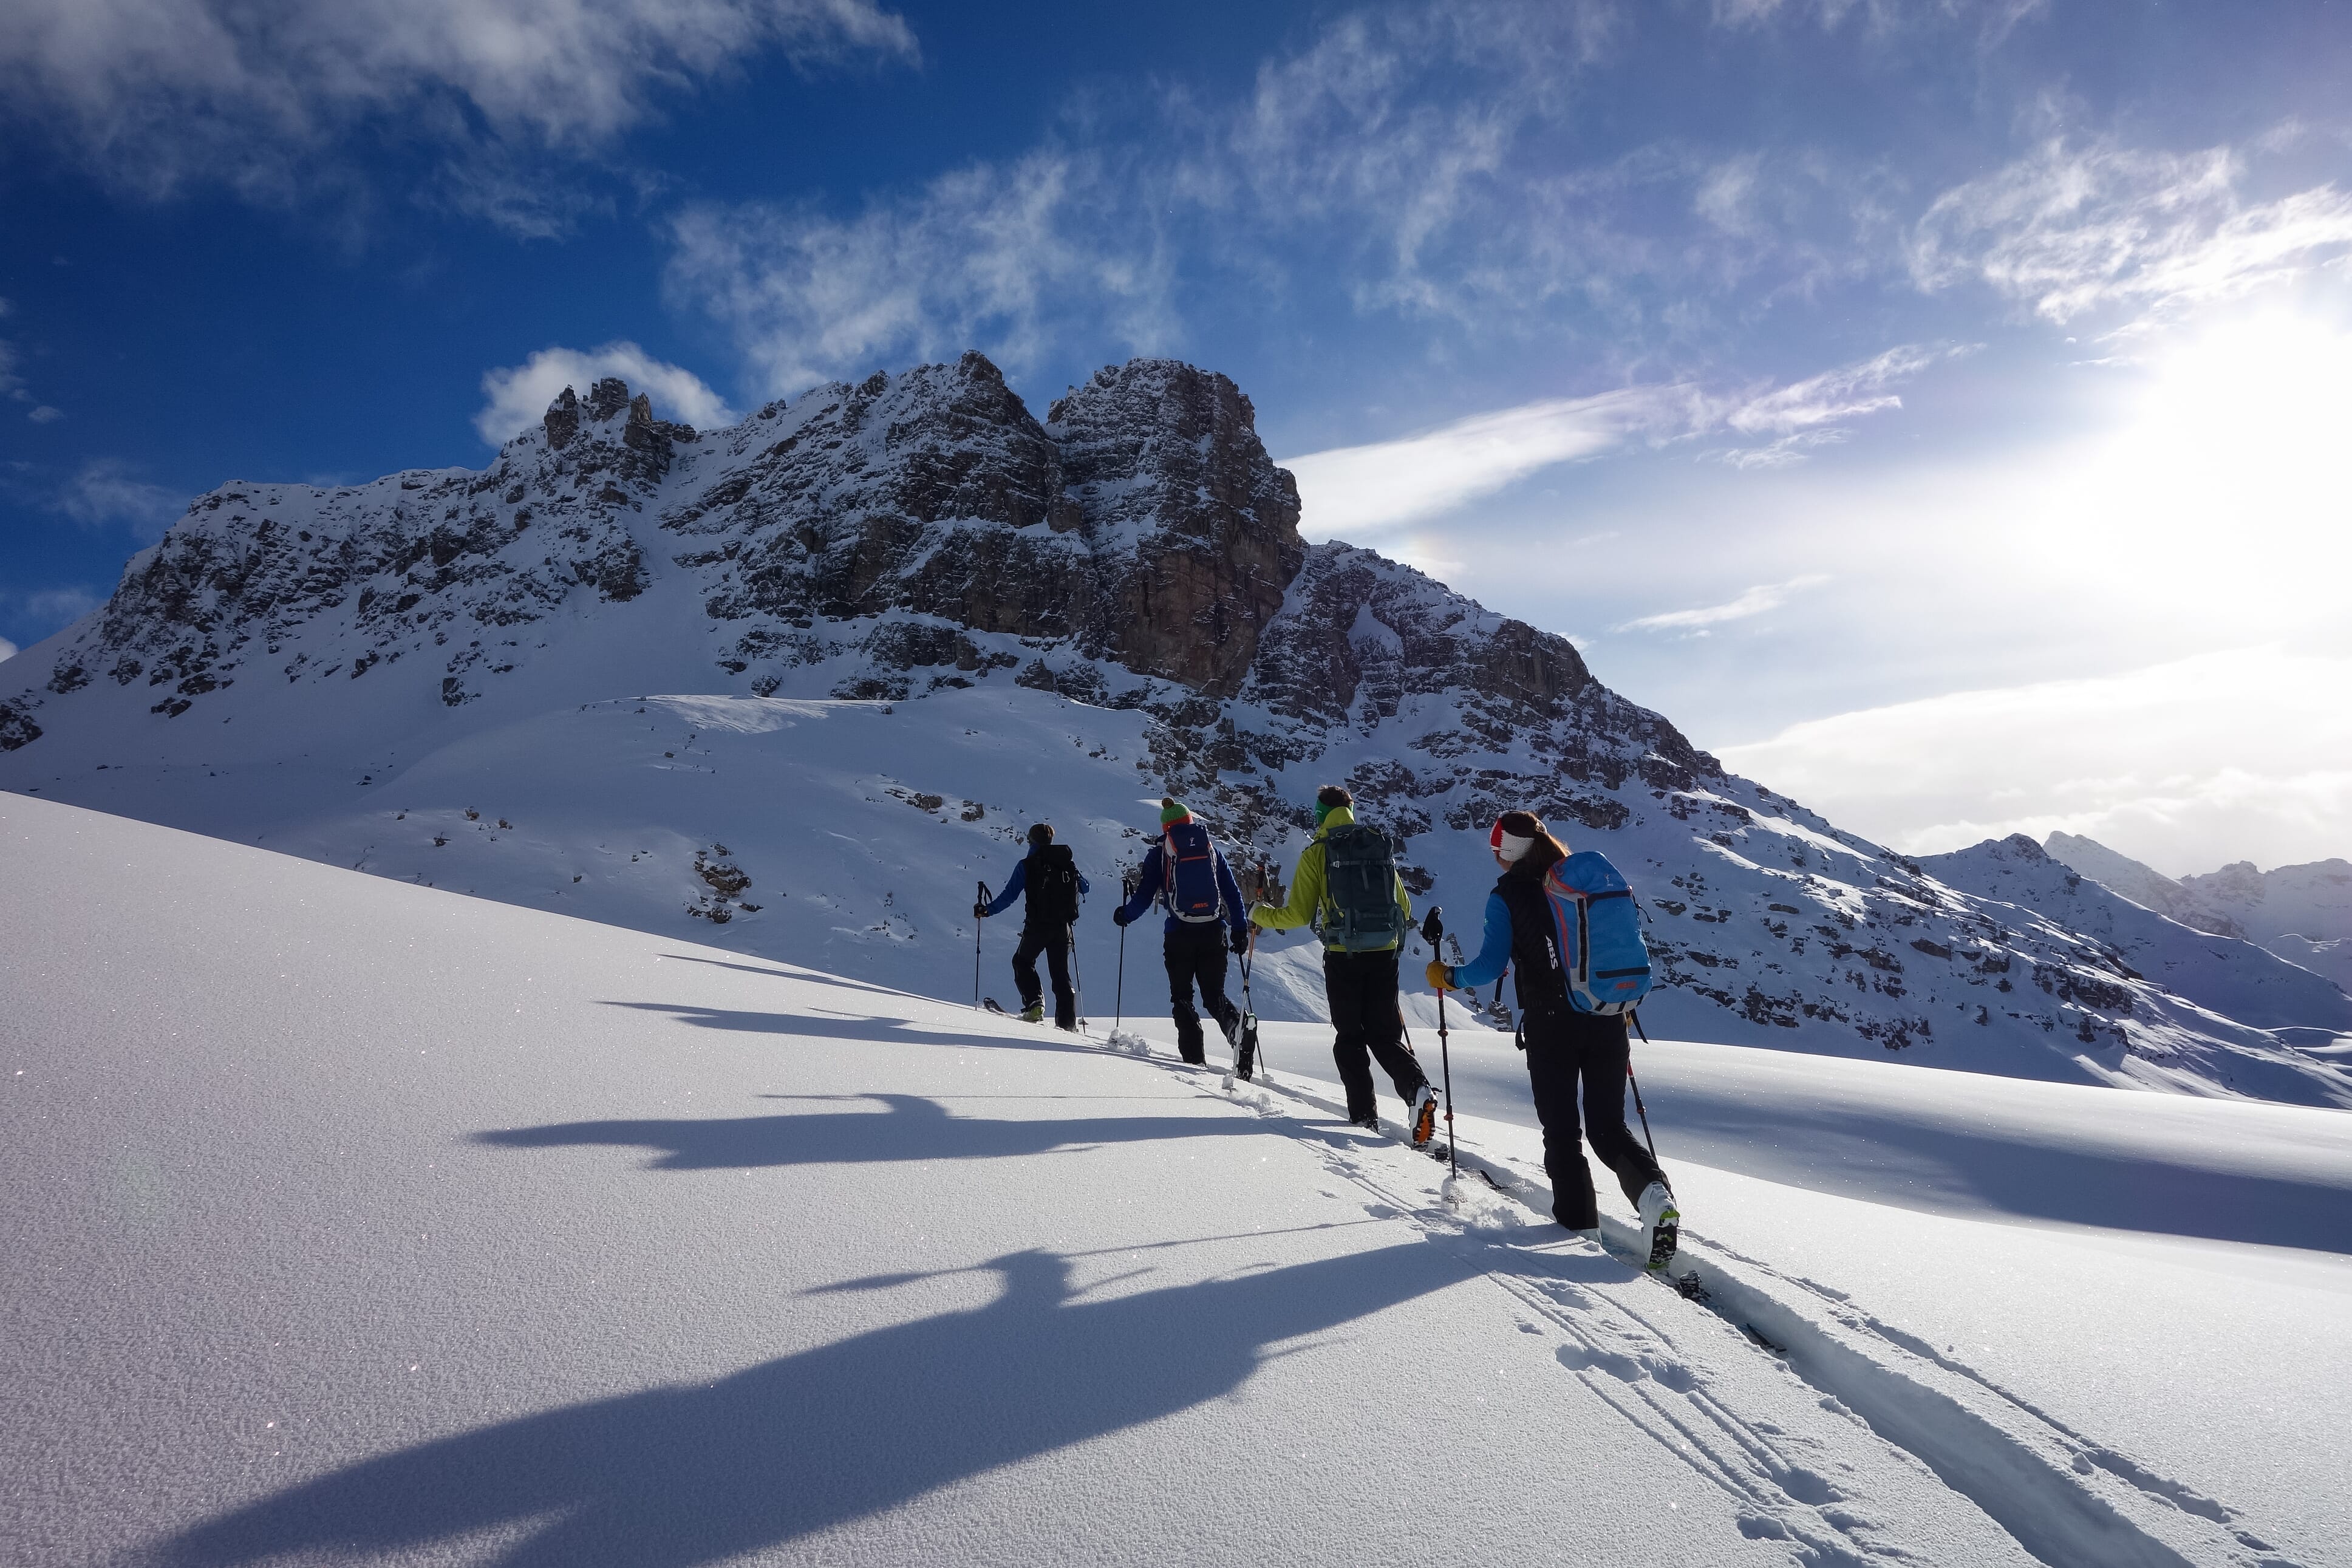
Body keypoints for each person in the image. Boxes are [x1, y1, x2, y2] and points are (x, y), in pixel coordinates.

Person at [1431, 810, 1679, 1266]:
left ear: (1506, 852)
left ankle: (1579, 1231)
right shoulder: (1582, 885)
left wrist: (1447, 976)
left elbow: (1489, 967)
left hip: (1552, 1026)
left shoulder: (1508, 895)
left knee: (1563, 1132)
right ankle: (1655, 1198)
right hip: (1607, 1016)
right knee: (1609, 1127)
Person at [1250, 785, 1437, 1145]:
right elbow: (1404, 907)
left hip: (1343, 956)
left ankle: (1364, 1119)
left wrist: (1259, 913)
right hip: (1385, 955)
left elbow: (1298, 915)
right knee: (1385, 1037)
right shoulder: (1376, 845)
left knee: (1350, 1038)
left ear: (1321, 814)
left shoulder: (1317, 852)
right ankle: (1417, 1089)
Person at [1111, 799, 1249, 1065]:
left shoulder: (1160, 855)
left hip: (1179, 935)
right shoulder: (1211, 850)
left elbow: (1144, 897)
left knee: (1183, 997)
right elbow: (1233, 893)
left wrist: (1124, 915)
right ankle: (1236, 1027)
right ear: (1189, 821)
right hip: (1214, 933)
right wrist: (1240, 929)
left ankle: (1195, 1061)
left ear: (1166, 828)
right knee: (1214, 996)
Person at [976, 823, 1088, 1029]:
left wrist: (987, 911)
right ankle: (1067, 1023)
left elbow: (1009, 895)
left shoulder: (1027, 865)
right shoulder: (1066, 863)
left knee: (1022, 962)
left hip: (1038, 926)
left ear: (1031, 841)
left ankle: (1035, 1004)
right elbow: (1085, 887)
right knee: (1060, 974)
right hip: (1063, 928)